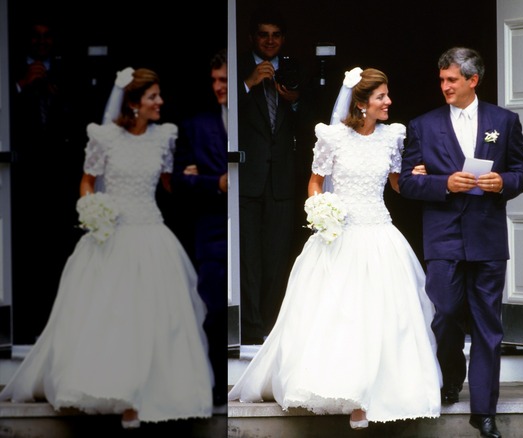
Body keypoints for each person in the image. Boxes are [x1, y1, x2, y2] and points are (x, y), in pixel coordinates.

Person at [228, 67, 441, 429]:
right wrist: (319, 207)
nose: (389, 102)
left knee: (384, 316)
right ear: (361, 104)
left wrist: (417, 178)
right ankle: (345, 392)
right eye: (381, 97)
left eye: (387, 96)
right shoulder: (333, 137)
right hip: (340, 235)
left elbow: (396, 185)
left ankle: (376, 394)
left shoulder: (392, 137)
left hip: (378, 232)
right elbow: (315, 182)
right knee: (341, 314)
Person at [0, 67, 214, 429]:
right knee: (113, 317)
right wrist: (91, 207)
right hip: (111, 234)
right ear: (133, 103)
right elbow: (87, 182)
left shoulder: (165, 136)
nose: (160, 102)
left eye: (159, 96)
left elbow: (167, 184)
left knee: (154, 319)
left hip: (151, 232)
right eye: (152, 97)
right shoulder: (104, 137)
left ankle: (145, 395)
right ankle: (112, 390)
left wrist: (188, 178)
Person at [398, 47, 523, 438]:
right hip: (442, 237)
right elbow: (406, 181)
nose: (444, 86)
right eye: (441, 80)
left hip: (488, 236)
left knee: (489, 325)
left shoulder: (503, 121)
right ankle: (448, 377)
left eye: (452, 80)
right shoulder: (423, 125)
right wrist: (443, 183)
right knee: (444, 315)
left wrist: (502, 183)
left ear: (473, 80)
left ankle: (484, 411)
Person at [10, 15, 86, 344]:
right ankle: (24, 327)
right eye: (36, 36)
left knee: (55, 253)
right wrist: (21, 85)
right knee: (25, 252)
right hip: (21, 177)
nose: (42, 42)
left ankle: (53, 327)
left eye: (47, 36)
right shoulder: (11, 69)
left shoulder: (65, 71)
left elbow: (80, 118)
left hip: (56, 179)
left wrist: (59, 95)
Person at [237, 7, 303, 344]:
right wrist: (248, 83)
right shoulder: (237, 70)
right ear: (252, 38)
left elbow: (312, 121)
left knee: (278, 256)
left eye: (276, 35)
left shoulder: (293, 69)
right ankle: (249, 329)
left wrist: (293, 102)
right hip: (247, 178)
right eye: (263, 35)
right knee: (248, 257)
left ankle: (272, 327)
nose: (270, 41)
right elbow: (226, 112)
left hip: (281, 179)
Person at [172, 48, 229, 412]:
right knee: (212, 309)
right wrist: (214, 183)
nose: (218, 87)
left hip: (247, 229)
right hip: (210, 230)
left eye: (223, 80)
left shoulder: (249, 117)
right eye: (213, 81)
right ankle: (215, 388)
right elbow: (178, 180)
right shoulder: (196, 124)